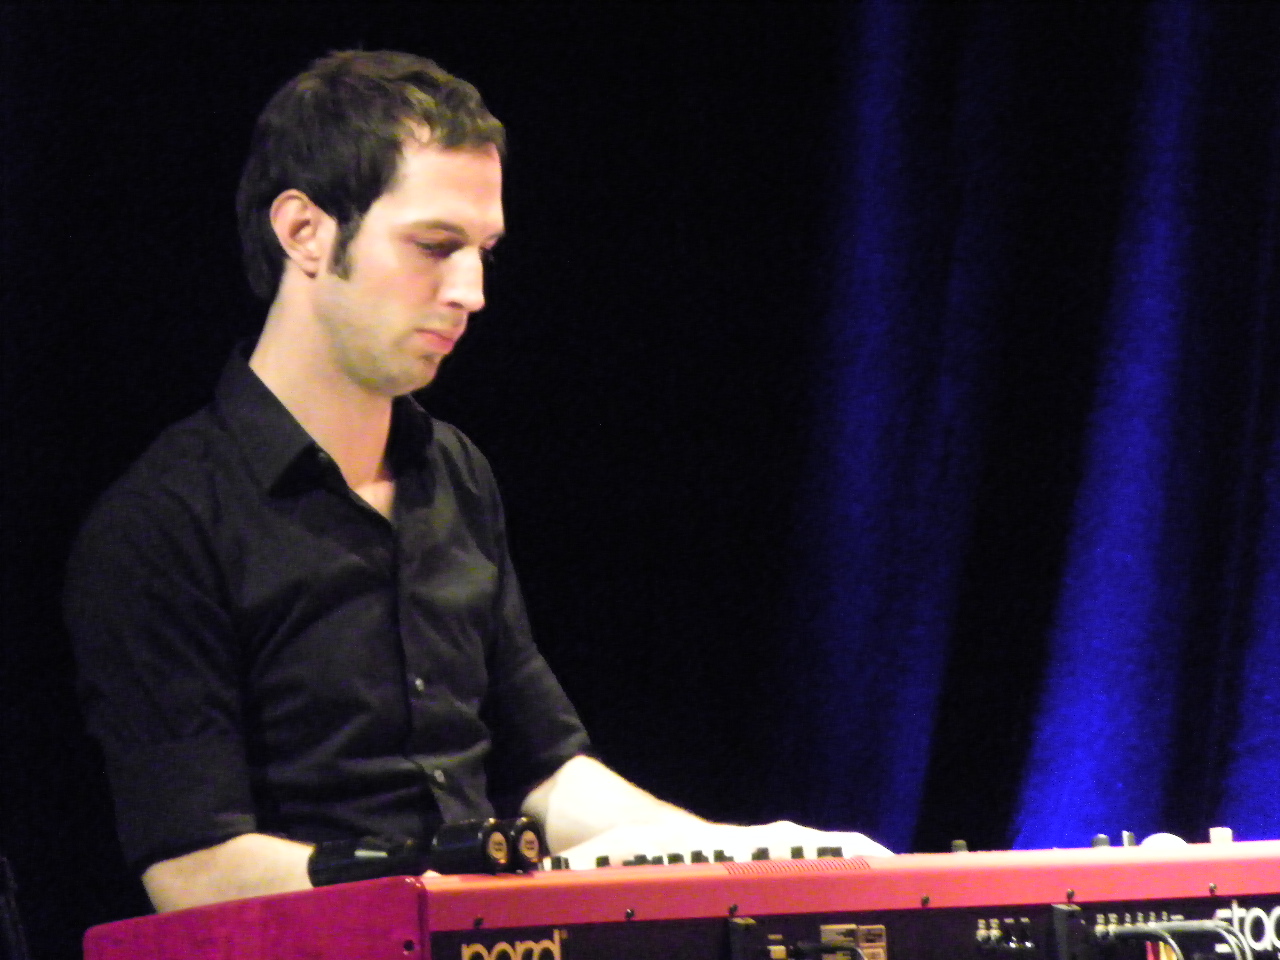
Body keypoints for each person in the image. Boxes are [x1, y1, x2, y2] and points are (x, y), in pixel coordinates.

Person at [65, 50, 888, 915]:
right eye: (435, 246)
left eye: (484, 251)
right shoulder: (161, 523)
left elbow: (548, 773)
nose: (472, 291)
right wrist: (441, 886)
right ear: (304, 231)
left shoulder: (455, 473)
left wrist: (730, 860)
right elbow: (194, 873)